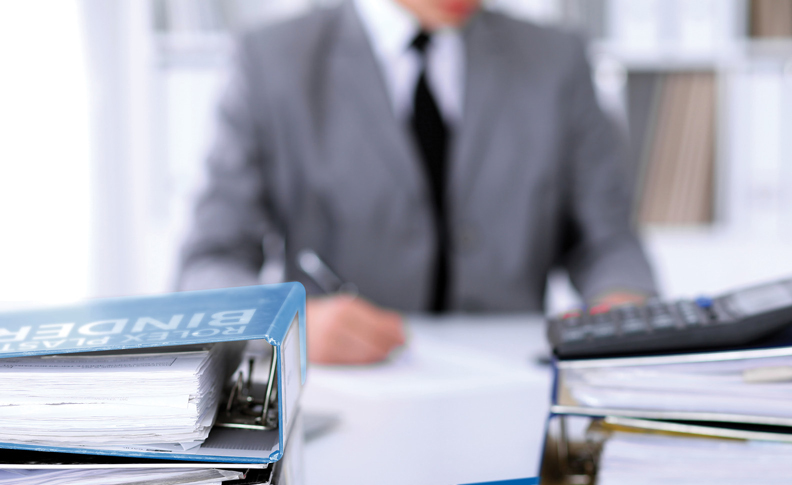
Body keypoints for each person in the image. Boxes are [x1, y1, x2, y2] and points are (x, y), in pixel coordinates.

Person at [177, 0, 657, 364]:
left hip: (510, 379)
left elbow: (607, 239)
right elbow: (208, 262)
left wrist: (622, 308)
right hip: (349, 392)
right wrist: (286, 325)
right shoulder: (272, 62)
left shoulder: (557, 60)